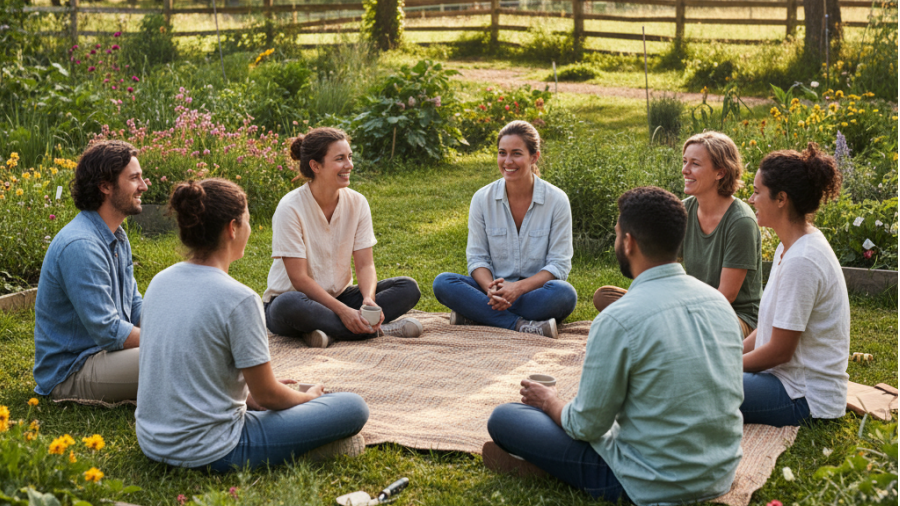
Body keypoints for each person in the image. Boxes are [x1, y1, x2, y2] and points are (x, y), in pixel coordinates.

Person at [484, 186, 744, 505]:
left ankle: (548, 467)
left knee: (505, 418)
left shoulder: (618, 319)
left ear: (629, 242)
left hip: (651, 482)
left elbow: (586, 426)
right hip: (720, 473)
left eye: (617, 233)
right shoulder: (718, 303)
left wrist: (550, 401)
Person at [136, 179, 369, 471]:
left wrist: (248, 397)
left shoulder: (159, 282)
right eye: (247, 220)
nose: (249, 228)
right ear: (232, 228)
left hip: (153, 442)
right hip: (214, 449)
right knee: (352, 407)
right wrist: (306, 399)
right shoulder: (240, 299)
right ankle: (312, 450)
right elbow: (267, 396)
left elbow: (190, 367)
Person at [263, 127, 423, 349]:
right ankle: (378, 331)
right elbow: (299, 278)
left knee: (407, 288)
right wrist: (343, 312)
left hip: (340, 296)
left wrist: (368, 299)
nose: (349, 165)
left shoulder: (357, 202)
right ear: (315, 166)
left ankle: (330, 332)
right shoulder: (290, 208)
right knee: (288, 304)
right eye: (340, 159)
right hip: (297, 300)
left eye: (349, 157)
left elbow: (365, 264)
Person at [593, 132, 762, 338]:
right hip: (688, 305)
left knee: (676, 326)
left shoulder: (740, 222)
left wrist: (672, 312)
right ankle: (662, 328)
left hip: (731, 317)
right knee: (605, 297)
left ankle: (657, 329)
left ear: (720, 172)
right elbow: (660, 265)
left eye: (695, 164)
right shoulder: (684, 210)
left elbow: (726, 295)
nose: (684, 170)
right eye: (684, 161)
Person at [433, 121, 576, 338]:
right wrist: (491, 289)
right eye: (502, 153)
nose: (508, 161)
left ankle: (477, 314)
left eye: (516, 154)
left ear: (534, 157)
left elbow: (559, 265)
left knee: (564, 294)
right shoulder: (482, 198)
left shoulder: (557, 200)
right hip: (493, 291)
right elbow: (477, 258)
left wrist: (517, 289)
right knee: (444, 283)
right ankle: (518, 324)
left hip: (533, 292)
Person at [741, 143, 850, 427]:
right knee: (700, 377)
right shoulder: (789, 246)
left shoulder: (802, 259)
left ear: (781, 199)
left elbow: (779, 351)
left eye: (757, 191)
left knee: (697, 385)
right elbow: (770, 328)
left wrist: (721, 367)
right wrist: (729, 354)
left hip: (804, 397)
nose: (751, 199)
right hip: (783, 381)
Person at [33, 140, 149, 402]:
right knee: (175, 356)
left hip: (106, 354)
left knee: (185, 350)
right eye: (134, 178)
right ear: (105, 186)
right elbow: (109, 330)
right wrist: (166, 339)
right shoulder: (81, 245)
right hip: (73, 369)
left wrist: (175, 327)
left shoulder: (116, 236)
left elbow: (134, 306)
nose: (143, 186)